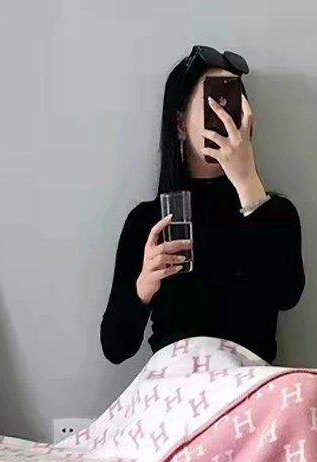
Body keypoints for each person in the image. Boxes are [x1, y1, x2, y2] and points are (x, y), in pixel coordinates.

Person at [100, 46, 305, 366]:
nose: (225, 121)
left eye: (233, 108)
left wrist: (248, 183)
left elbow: (286, 294)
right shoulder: (148, 221)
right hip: (176, 383)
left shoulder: (274, 212)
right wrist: (144, 286)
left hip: (247, 386)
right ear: (179, 123)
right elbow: (115, 347)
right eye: (213, 106)